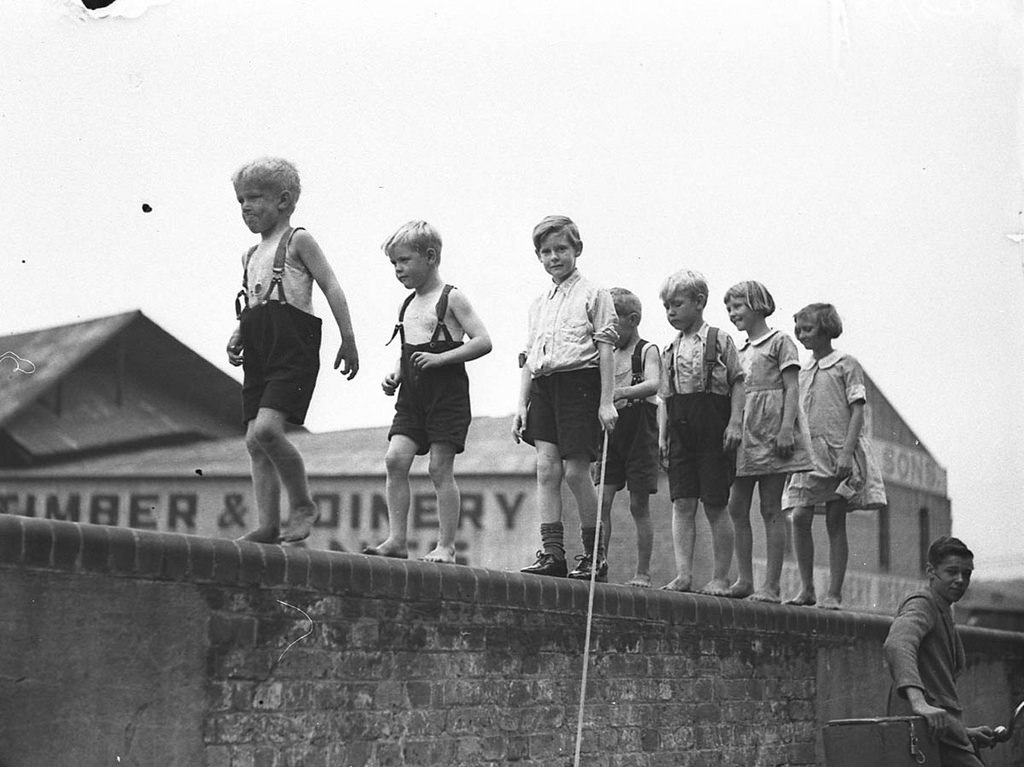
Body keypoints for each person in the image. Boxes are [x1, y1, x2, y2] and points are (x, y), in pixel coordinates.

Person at [226, 157, 359, 544]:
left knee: (268, 430)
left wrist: (347, 338)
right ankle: (268, 523)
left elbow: (332, 287)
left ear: (283, 201)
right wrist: (239, 332)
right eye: (240, 201)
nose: (246, 207)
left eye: (254, 198)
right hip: (259, 346)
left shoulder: (298, 240)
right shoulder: (249, 255)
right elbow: (255, 302)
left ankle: (302, 504)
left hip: (292, 346)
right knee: (253, 440)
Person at [364, 221, 492, 564]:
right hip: (412, 396)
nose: (398, 270)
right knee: (395, 460)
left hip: (446, 395)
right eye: (394, 264)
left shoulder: (451, 297)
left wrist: (441, 359)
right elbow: (407, 348)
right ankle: (396, 539)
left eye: (404, 261)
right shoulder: (407, 305)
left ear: (431, 257)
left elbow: (483, 341)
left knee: (439, 468)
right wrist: (395, 373)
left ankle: (446, 546)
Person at [512, 215, 618, 581]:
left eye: (561, 249)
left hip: (580, 384)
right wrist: (521, 405)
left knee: (576, 472)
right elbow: (529, 357)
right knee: (546, 469)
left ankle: (594, 555)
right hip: (545, 386)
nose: (554, 257)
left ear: (577, 250)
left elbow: (605, 350)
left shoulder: (594, 294)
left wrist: (607, 401)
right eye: (546, 252)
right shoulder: (539, 303)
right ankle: (552, 552)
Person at [783, 303, 886, 609]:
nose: (802, 336)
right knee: (799, 515)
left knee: (835, 517)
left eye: (808, 329)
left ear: (826, 329)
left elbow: (857, 411)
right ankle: (807, 589)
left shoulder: (845, 364)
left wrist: (846, 452)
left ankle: (834, 593)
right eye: (798, 330)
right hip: (809, 455)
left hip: (838, 452)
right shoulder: (803, 371)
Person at [723, 281, 813, 602]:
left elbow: (792, 388)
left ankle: (771, 586)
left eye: (738, 306)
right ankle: (744, 579)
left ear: (757, 305)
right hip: (746, 434)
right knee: (736, 505)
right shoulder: (738, 349)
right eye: (729, 308)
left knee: (770, 506)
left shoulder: (780, 342)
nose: (733, 313)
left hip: (774, 432)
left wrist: (787, 428)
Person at [657, 269, 744, 595]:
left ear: (699, 302)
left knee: (715, 502)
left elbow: (738, 382)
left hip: (713, 425)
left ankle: (720, 576)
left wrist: (735, 422)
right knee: (682, 501)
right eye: (666, 307)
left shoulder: (720, 340)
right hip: (680, 427)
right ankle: (683, 574)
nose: (671, 312)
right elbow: (664, 398)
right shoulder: (669, 350)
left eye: (677, 304)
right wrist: (663, 437)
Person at [884, 536, 996, 767]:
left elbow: (936, 685)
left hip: (939, 731)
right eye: (952, 571)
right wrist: (918, 702)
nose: (960, 580)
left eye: (966, 574)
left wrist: (966, 732)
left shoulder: (943, 609)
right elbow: (897, 644)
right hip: (920, 731)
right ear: (931, 571)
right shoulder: (922, 603)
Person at [594, 287, 662, 588]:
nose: (607, 330)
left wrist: (620, 392)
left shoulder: (646, 350)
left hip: (640, 432)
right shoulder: (606, 353)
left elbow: (653, 384)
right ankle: (599, 566)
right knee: (603, 501)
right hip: (611, 433)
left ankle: (643, 572)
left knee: (638, 505)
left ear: (632, 320)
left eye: (613, 322)